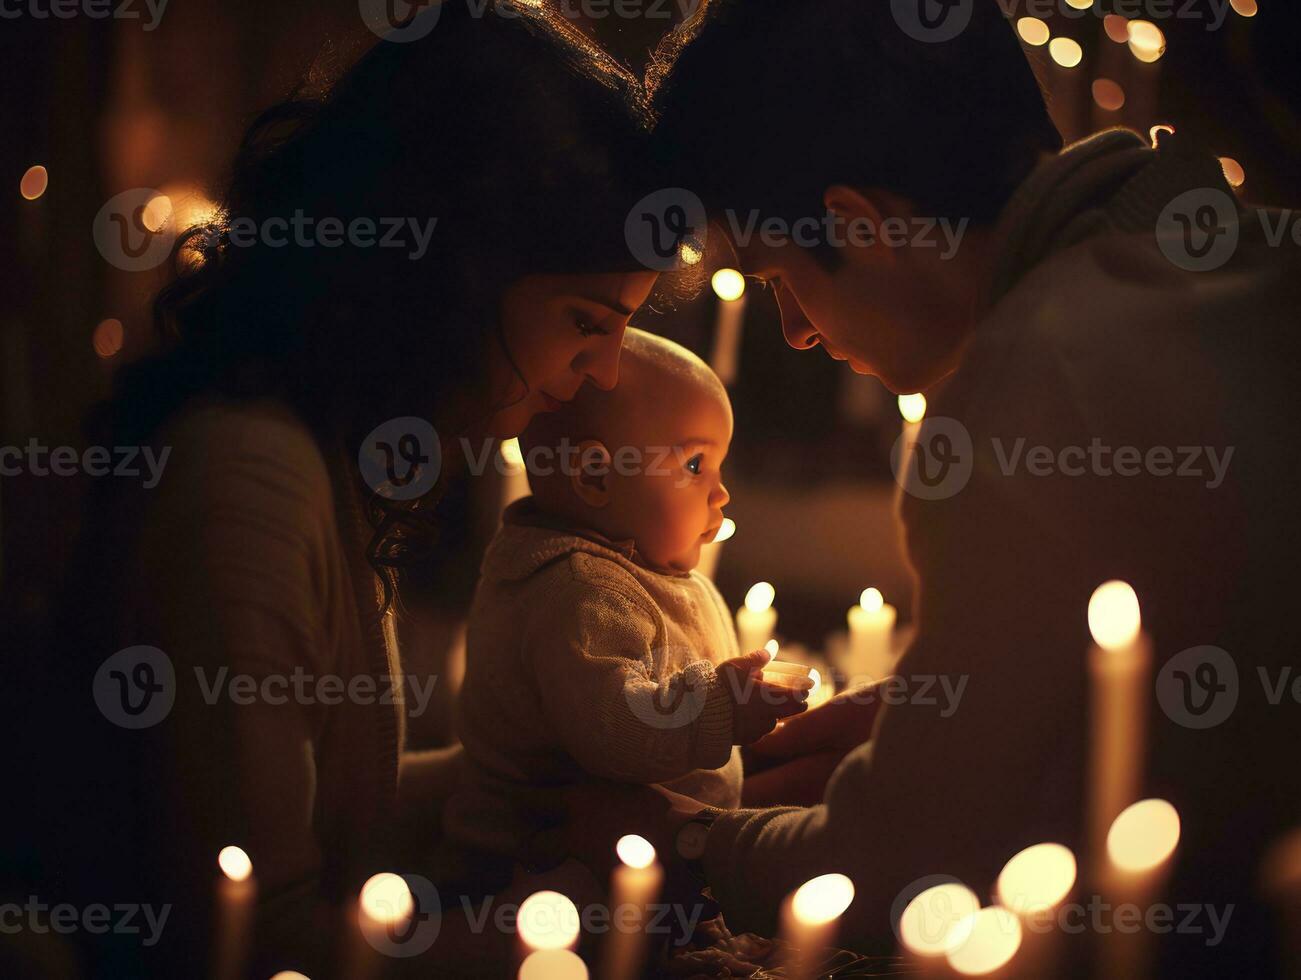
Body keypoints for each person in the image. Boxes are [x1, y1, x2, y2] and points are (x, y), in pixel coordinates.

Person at [544, 1, 1301, 975]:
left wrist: (679, 843)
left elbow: (909, 859)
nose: (799, 333)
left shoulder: (1028, 386)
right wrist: (954, 714)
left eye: (778, 278)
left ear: (859, 226)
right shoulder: (1241, 252)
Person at [40, 3, 665, 976]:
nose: (609, 371)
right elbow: (250, 930)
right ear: (458, 271)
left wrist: (535, 772)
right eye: (588, 318)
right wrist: (578, 941)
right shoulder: (249, 479)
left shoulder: (334, 449)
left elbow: (337, 798)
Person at [444, 328, 808, 896]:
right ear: (594, 476)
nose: (721, 494)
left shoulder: (640, 567)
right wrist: (720, 705)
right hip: (544, 869)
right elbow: (614, 725)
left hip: (642, 856)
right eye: (694, 466)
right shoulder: (581, 592)